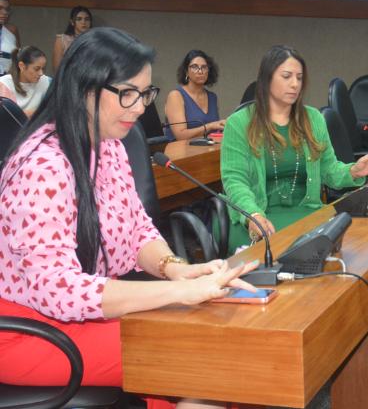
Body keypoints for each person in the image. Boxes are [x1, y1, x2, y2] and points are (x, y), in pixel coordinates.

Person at [0, 27, 257, 408]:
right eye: (128, 93)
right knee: (207, 354)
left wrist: (176, 269)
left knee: (224, 339)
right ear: (85, 88)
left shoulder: (110, 146)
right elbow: (57, 290)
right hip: (32, 330)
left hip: (87, 313)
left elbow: (137, 230)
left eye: (145, 93)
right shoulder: (42, 166)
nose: (140, 108)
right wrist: (178, 293)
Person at [220, 45, 368, 254]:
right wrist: (252, 214)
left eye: (299, 77)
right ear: (266, 79)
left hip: (306, 212)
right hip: (258, 217)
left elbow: (329, 170)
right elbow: (235, 180)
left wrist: (353, 171)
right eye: (286, 76)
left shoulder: (313, 119)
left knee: (354, 243)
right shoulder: (239, 123)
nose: (295, 84)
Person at [164, 49, 226, 141]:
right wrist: (210, 126)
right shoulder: (176, 96)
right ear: (186, 71)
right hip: (181, 149)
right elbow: (180, 135)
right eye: (194, 67)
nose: (200, 71)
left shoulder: (212, 97)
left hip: (208, 148)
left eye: (204, 67)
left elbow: (215, 132)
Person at [0, 46, 52, 117]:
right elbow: (7, 117)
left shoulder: (47, 81)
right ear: (22, 66)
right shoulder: (4, 84)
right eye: (36, 69)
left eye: (43, 69)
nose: (41, 73)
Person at [51, 5, 93, 71]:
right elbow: (57, 69)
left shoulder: (95, 40)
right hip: (67, 76)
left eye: (87, 19)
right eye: (79, 19)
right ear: (72, 22)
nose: (83, 22)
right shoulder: (62, 40)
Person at [0, 0, 20, 76]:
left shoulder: (12, 30)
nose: (5, 12)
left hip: (7, 79)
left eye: (7, 9)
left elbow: (18, 58)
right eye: (0, 8)